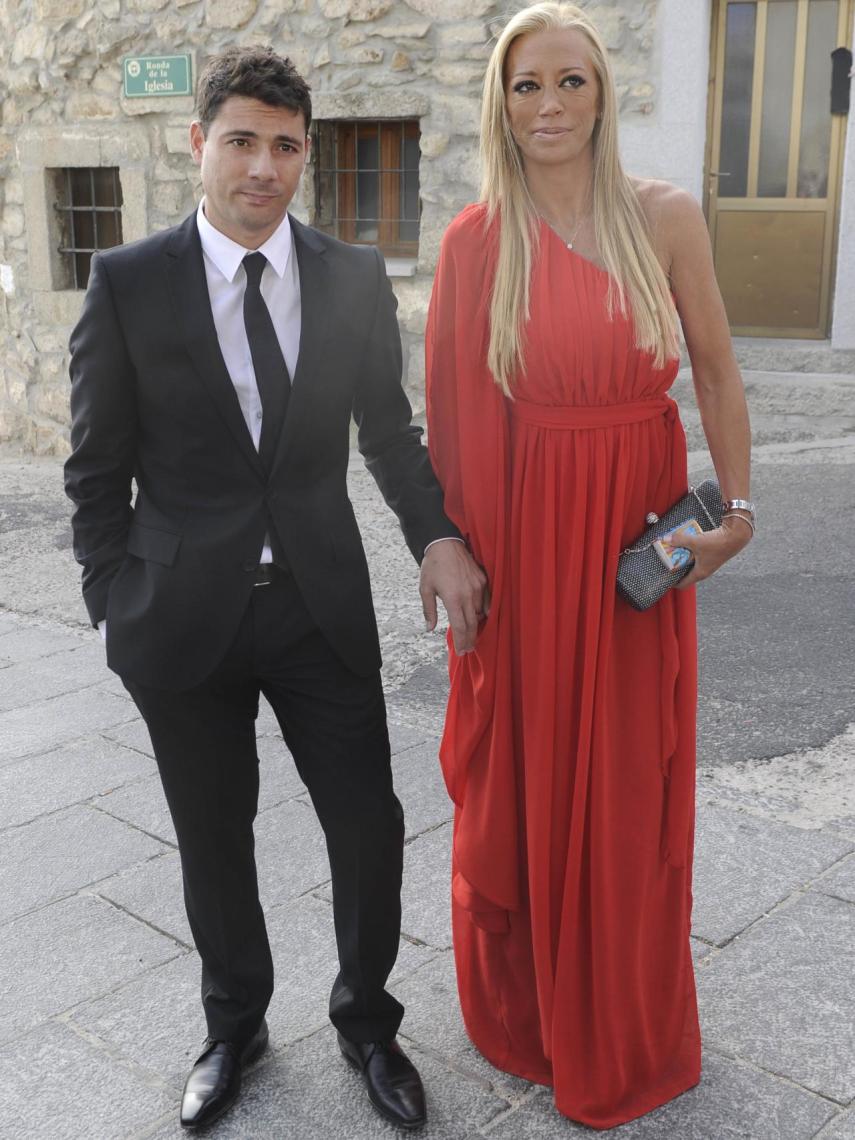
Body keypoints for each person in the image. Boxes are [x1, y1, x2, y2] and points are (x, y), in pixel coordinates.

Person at [64, 46, 487, 1132]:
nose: (264, 166)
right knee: (215, 837)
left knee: (368, 824)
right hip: (179, 616)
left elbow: (388, 438)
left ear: (308, 155)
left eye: (286, 145)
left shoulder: (348, 277)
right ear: (198, 144)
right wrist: (112, 598)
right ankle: (234, 1023)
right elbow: (94, 466)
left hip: (317, 606)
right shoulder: (128, 282)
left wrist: (435, 535)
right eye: (243, 141)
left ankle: (366, 1021)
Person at [425, 2, 754, 1129]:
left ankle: (620, 1018)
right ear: (501, 106)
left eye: (571, 81)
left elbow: (715, 370)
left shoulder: (663, 219)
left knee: (627, 776)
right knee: (530, 773)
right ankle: (531, 1017)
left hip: (638, 546)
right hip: (527, 550)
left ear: (605, 92)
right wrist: (458, 556)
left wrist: (738, 507)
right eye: (527, 86)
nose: (551, 104)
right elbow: (457, 419)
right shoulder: (478, 240)